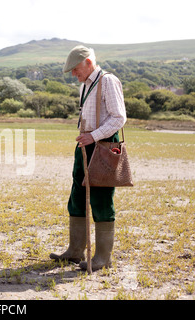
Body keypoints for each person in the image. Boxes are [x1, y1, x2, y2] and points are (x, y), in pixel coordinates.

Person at [50, 45, 127, 271]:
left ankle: (103, 258)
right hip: (85, 145)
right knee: (77, 195)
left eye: (76, 69)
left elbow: (118, 118)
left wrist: (93, 136)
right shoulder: (85, 85)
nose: (74, 74)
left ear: (88, 62)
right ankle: (75, 251)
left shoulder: (108, 81)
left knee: (102, 198)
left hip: (103, 146)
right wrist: (87, 138)